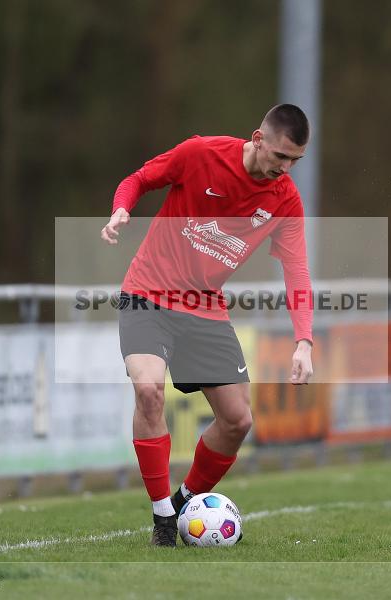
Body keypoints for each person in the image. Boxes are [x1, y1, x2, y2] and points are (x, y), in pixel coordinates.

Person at [101, 104, 314, 546]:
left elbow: (297, 272)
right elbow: (139, 179)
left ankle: (183, 502)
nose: (285, 168)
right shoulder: (200, 154)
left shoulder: (285, 199)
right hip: (148, 294)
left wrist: (304, 341)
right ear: (258, 138)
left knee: (238, 422)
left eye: (295, 160)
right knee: (148, 389)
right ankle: (162, 517)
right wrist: (122, 209)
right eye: (279, 156)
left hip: (204, 307)